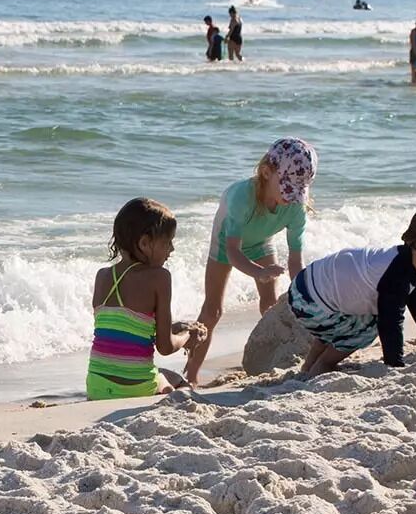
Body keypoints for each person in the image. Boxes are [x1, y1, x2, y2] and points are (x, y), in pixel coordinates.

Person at [284, 201, 416, 378]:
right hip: (312, 305)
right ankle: (324, 364)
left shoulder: (401, 260)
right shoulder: (396, 277)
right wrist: (395, 364)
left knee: (344, 324)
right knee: (368, 327)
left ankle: (308, 366)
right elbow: (390, 323)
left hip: (303, 291)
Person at [183, 137, 315, 383]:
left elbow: (295, 261)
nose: (291, 197)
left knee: (271, 306)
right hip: (226, 243)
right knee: (212, 311)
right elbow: (233, 251)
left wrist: (304, 293)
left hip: (262, 241)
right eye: (287, 187)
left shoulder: (296, 207)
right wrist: (257, 272)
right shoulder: (241, 197)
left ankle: (273, 359)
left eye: (298, 190)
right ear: (266, 172)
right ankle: (190, 375)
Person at [88, 198, 205, 399]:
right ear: (144, 243)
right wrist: (188, 337)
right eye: (168, 242)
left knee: (163, 374)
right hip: (137, 388)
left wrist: (172, 328)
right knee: (181, 385)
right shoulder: (160, 277)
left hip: (96, 387)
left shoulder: (102, 277)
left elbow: (122, 331)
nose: (172, 249)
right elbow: (165, 347)